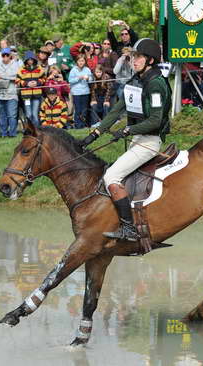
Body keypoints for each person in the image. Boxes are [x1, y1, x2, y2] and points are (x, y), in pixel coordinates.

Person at [78, 39, 172, 242]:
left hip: (149, 141)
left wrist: (128, 129)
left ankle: (129, 229)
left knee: (111, 177)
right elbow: (116, 111)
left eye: (137, 57)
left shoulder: (156, 84)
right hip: (138, 138)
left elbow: (155, 120)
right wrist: (94, 135)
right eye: (131, 57)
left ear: (150, 60)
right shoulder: (136, 80)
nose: (133, 60)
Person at [0, 47, 19, 137]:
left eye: (7, 55)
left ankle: (12, 133)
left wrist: (2, 76)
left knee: (12, 115)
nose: (5, 57)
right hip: (0, 94)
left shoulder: (15, 64)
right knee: (2, 115)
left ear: (10, 55)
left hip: (11, 94)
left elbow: (16, 76)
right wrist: (2, 77)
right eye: (3, 55)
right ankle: (3, 133)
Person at [16, 51, 46, 127]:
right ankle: (29, 130)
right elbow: (17, 80)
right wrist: (27, 84)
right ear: (26, 60)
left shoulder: (39, 68)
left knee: (35, 114)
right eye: (28, 59)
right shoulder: (21, 69)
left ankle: (37, 130)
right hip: (26, 96)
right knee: (28, 115)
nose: (30, 61)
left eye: (31, 59)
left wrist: (37, 83)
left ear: (34, 60)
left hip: (36, 95)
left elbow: (44, 78)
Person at [68, 54, 93, 129]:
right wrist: (79, 78)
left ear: (85, 61)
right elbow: (70, 80)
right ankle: (78, 125)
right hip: (76, 93)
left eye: (82, 61)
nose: (81, 62)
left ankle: (83, 124)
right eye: (79, 61)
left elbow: (91, 80)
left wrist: (88, 78)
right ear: (77, 62)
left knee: (84, 110)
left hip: (85, 92)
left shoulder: (87, 69)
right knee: (78, 110)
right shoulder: (73, 70)